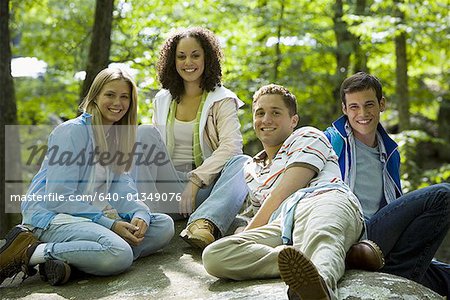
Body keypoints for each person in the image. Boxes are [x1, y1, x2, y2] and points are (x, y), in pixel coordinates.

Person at [0, 68, 174, 286]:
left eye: (124, 97)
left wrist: (140, 213)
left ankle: (74, 262)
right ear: (96, 96)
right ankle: (31, 251)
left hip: (89, 216)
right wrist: (110, 225)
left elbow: (123, 189)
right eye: (110, 95)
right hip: (52, 217)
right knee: (119, 254)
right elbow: (58, 197)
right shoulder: (71, 132)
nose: (117, 103)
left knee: (162, 227)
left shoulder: (118, 137)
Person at [202, 84, 364, 300]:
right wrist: (243, 232)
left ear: (293, 120)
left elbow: (282, 193)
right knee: (215, 255)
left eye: (275, 112)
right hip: (282, 224)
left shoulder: (307, 135)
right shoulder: (251, 168)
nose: (266, 119)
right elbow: (257, 212)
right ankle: (311, 261)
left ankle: (319, 287)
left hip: (321, 200)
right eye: (260, 113)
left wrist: (249, 231)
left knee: (322, 237)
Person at [324, 71, 450, 296]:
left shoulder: (390, 151)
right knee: (444, 194)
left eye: (369, 104)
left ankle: (392, 273)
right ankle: (396, 277)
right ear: (344, 109)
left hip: (381, 237)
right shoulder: (330, 141)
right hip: (353, 232)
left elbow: (394, 203)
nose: (362, 113)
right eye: (353, 107)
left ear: (381, 104)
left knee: (446, 275)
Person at [133, 27, 248, 249]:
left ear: (207, 58)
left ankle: (204, 224)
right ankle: (145, 215)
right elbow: (152, 153)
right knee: (144, 132)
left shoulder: (223, 99)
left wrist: (195, 181)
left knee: (242, 163)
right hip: (167, 190)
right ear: (172, 61)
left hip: (204, 192)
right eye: (181, 56)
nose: (189, 62)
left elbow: (232, 146)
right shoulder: (162, 99)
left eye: (195, 55)